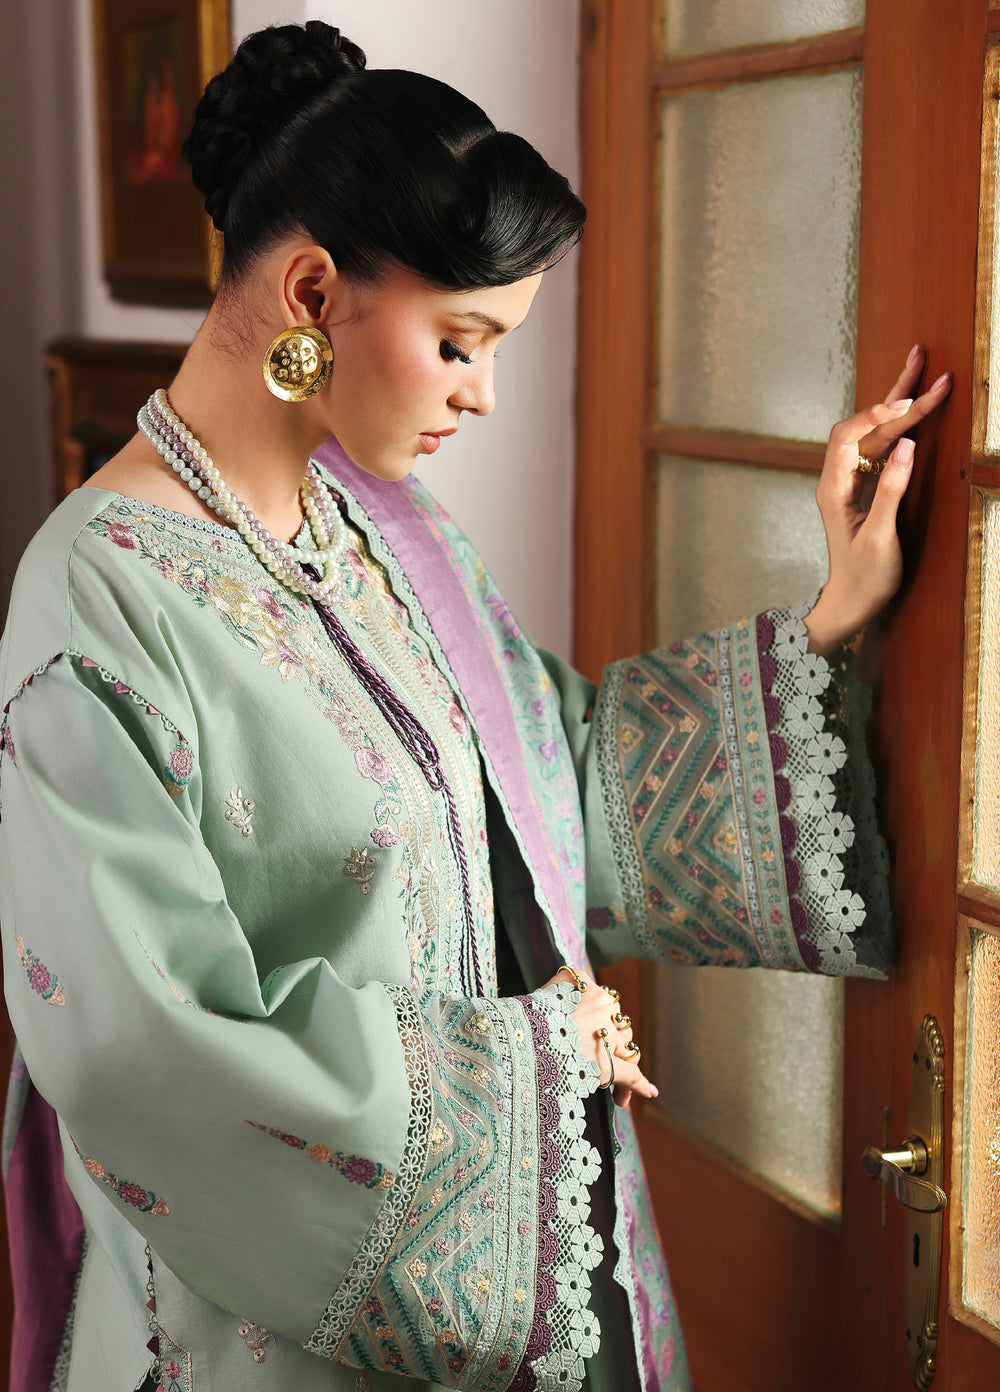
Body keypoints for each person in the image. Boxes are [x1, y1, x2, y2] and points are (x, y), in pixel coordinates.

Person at [0, 21, 951, 1392]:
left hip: (499, 1276)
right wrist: (529, 1069)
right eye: (459, 342)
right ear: (313, 290)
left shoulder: (381, 531)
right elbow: (139, 1044)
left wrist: (831, 616)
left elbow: (546, 781)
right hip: (267, 1329)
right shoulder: (97, 595)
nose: (484, 395)